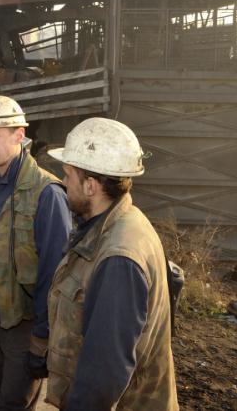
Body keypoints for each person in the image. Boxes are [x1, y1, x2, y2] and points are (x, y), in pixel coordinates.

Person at [45, 118, 178, 410]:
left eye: (68, 175)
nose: (63, 182)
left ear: (91, 185)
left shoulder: (119, 257)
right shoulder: (114, 224)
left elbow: (102, 375)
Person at [0, 95, 71, 410]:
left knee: (12, 403)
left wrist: (41, 339)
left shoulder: (46, 194)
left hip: (22, 327)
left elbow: (55, 274)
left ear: (19, 136)